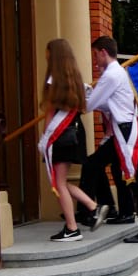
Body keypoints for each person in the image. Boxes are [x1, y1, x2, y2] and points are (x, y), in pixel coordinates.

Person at [80, 36, 138, 243]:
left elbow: (89, 106)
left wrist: (82, 92)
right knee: (94, 165)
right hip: (121, 129)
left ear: (103, 52)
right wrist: (89, 92)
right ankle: (104, 208)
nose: (95, 60)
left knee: (134, 180)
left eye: (96, 55)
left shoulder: (111, 75)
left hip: (124, 131)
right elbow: (105, 105)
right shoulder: (116, 73)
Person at [37, 38, 109, 241]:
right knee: (60, 182)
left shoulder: (53, 80)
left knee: (58, 183)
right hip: (75, 133)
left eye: (47, 52)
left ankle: (72, 228)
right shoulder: (76, 80)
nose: (46, 56)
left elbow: (51, 114)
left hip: (61, 135)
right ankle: (93, 207)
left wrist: (45, 139)